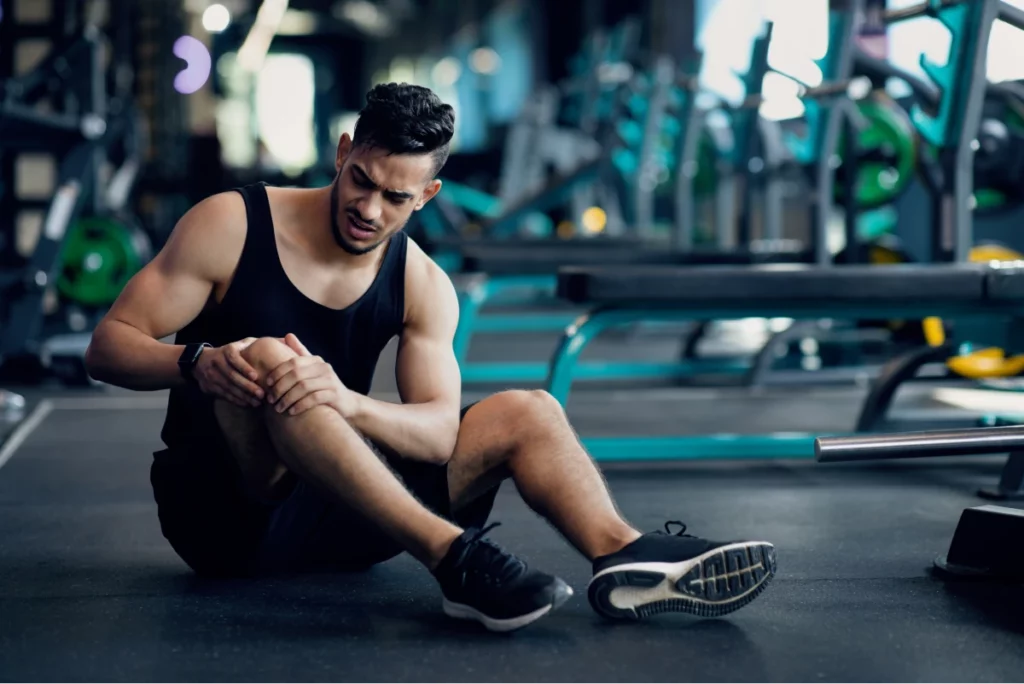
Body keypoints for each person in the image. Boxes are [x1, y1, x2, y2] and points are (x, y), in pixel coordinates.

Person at [84, 83, 776, 632]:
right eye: (361, 181)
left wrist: (348, 399)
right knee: (273, 361)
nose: (370, 210)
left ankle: (626, 558)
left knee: (528, 410)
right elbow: (106, 346)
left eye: (396, 197)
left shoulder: (421, 282)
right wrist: (195, 362)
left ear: (429, 195)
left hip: (353, 518)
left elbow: (441, 433)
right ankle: (457, 560)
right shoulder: (232, 224)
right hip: (229, 520)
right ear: (343, 151)